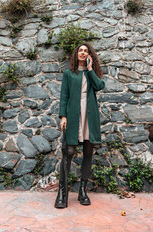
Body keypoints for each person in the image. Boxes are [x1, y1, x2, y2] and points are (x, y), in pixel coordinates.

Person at [55, 42, 105, 208]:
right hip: (74, 115)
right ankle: (62, 192)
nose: (83, 53)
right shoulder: (69, 73)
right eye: (80, 51)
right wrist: (63, 116)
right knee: (68, 151)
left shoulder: (92, 72)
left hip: (89, 115)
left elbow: (99, 86)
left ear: (89, 55)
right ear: (76, 54)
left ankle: (83, 191)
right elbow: (64, 96)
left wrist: (90, 69)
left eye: (86, 51)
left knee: (88, 151)